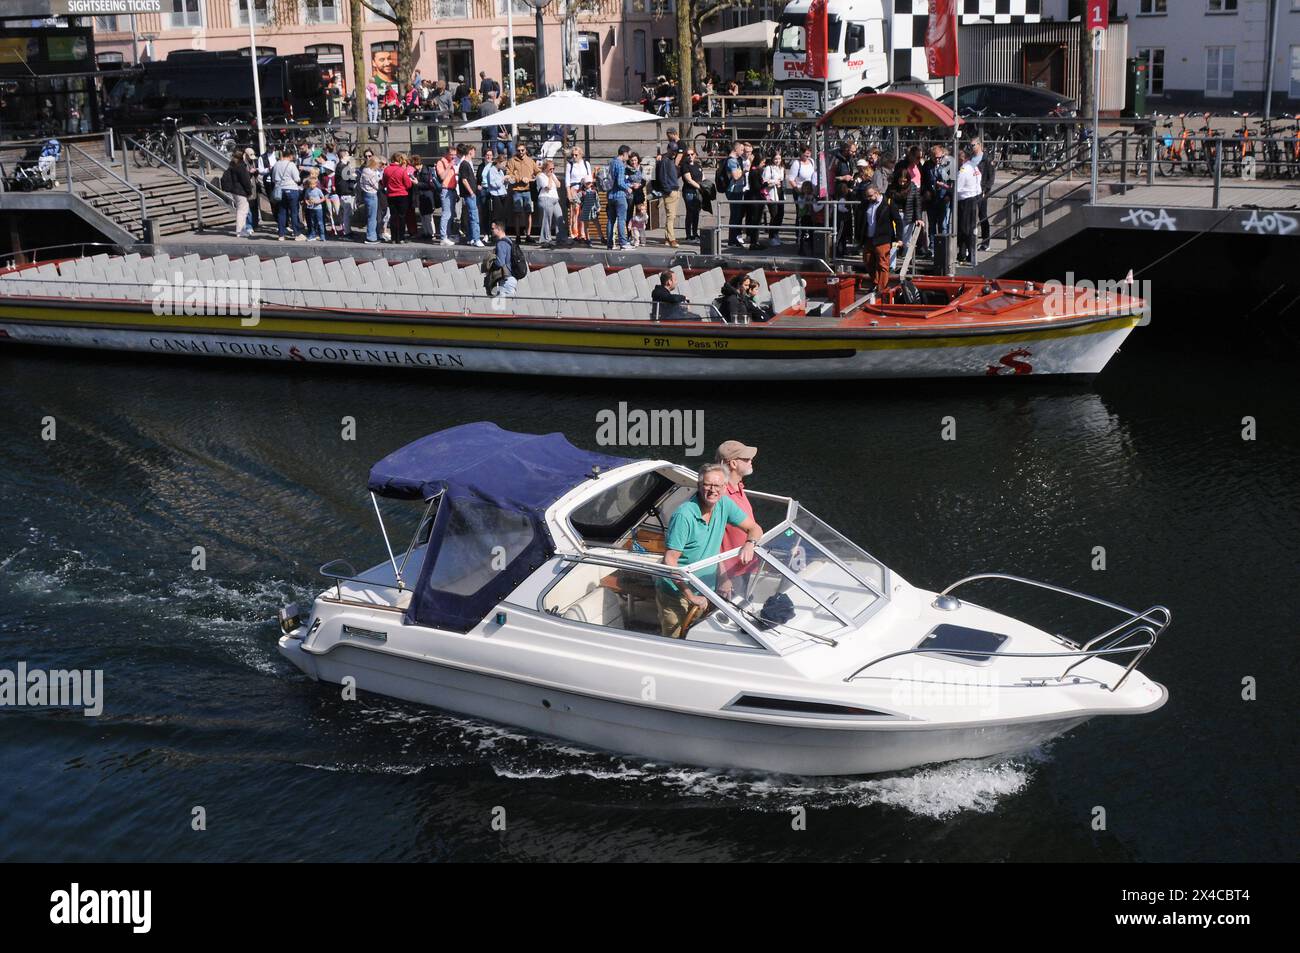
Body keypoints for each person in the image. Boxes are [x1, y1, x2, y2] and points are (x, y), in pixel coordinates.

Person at [657, 464, 763, 638]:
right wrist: (690, 595)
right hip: (677, 593)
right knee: (675, 642)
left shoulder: (724, 504)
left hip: (705, 589)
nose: (713, 490)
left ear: (724, 488)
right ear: (699, 486)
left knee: (700, 636)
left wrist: (749, 544)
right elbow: (670, 561)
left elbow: (755, 528)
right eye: (708, 485)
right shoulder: (684, 516)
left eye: (718, 486)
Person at [716, 439, 759, 584]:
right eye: (746, 459)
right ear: (733, 464)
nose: (751, 461)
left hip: (745, 565)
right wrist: (723, 578)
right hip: (729, 572)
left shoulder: (738, 486)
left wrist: (750, 543)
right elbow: (711, 542)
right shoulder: (720, 495)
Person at [861, 183, 903, 298]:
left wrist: (899, 238)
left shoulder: (888, 203)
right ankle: (875, 282)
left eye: (870, 196)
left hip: (883, 238)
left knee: (882, 263)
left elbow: (898, 221)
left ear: (877, 193)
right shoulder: (866, 204)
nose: (868, 198)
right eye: (867, 196)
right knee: (868, 260)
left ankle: (881, 288)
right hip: (869, 238)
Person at [505, 142, 539, 244]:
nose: (520, 152)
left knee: (529, 213)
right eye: (519, 150)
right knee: (517, 213)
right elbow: (508, 175)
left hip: (528, 190)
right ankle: (518, 235)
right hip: (517, 191)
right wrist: (519, 179)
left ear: (526, 150)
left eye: (522, 150)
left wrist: (532, 179)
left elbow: (538, 172)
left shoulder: (530, 161)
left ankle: (528, 235)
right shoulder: (511, 161)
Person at [955, 145, 982, 263]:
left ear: (962, 159)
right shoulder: (974, 167)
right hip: (974, 198)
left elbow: (957, 188)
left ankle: (964, 253)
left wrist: (947, 188)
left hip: (965, 200)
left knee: (964, 229)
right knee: (970, 228)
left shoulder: (963, 169)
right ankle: (968, 253)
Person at [271, 150, 304, 241]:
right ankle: (296, 234)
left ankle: (281, 235)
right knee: (293, 212)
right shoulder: (291, 165)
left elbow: (273, 179)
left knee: (282, 212)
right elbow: (297, 179)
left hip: (280, 190)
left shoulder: (276, 164)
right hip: (291, 189)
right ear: (290, 155)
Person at [220, 153, 254, 238]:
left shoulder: (232, 165)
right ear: (242, 157)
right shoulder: (241, 166)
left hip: (235, 190)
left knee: (241, 210)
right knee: (243, 211)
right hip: (241, 191)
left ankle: (241, 230)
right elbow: (245, 181)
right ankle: (240, 231)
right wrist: (249, 192)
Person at [605, 144, 632, 251]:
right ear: (624, 154)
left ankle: (610, 244)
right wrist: (628, 188)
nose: (628, 158)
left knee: (611, 220)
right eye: (628, 156)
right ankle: (623, 243)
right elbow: (620, 182)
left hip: (610, 195)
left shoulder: (612, 162)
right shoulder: (620, 165)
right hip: (619, 196)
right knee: (621, 219)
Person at [654, 145, 682, 247]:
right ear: (668, 149)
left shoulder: (670, 160)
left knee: (671, 216)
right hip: (670, 191)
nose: (675, 153)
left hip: (674, 190)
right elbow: (662, 177)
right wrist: (668, 190)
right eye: (673, 151)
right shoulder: (665, 161)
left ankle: (667, 238)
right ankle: (672, 239)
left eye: (676, 151)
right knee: (671, 217)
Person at [565, 145, 593, 241]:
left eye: (576, 155)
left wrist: (589, 189)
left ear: (581, 155)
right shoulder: (570, 164)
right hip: (574, 188)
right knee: (575, 212)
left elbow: (589, 177)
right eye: (572, 155)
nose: (574, 157)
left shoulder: (586, 164)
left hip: (584, 188)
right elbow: (567, 180)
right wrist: (568, 193)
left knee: (583, 212)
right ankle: (574, 233)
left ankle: (583, 234)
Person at [457, 143, 482, 246]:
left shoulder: (467, 164)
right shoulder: (464, 164)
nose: (475, 153)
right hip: (469, 195)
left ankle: (471, 238)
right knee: (474, 216)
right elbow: (464, 180)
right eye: (474, 151)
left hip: (471, 194)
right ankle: (476, 239)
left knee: (472, 216)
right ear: (470, 151)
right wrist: (471, 192)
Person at [723, 142, 746, 247]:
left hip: (737, 190)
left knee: (737, 216)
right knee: (735, 216)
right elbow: (736, 177)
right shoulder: (732, 161)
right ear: (736, 149)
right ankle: (732, 240)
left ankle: (735, 238)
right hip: (733, 191)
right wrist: (745, 171)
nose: (743, 152)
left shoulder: (735, 160)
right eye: (741, 149)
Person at [435, 144, 459, 245]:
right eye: (451, 154)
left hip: (453, 190)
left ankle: (448, 235)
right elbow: (442, 177)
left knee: (451, 214)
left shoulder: (455, 162)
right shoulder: (441, 162)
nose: (453, 157)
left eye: (455, 154)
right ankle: (443, 237)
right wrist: (449, 165)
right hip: (445, 190)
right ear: (446, 154)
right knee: (446, 214)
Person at [488, 220, 519, 297]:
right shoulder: (509, 241)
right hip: (512, 278)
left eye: (493, 228)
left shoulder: (501, 243)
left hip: (506, 281)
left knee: (505, 306)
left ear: (498, 229)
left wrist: (491, 263)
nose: (491, 230)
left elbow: (500, 263)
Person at [536, 159, 563, 246]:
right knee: (547, 219)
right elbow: (548, 187)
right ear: (545, 168)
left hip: (555, 199)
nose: (552, 170)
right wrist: (550, 177)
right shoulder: (541, 176)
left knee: (559, 217)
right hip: (546, 198)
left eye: (553, 168)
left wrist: (552, 176)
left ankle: (561, 238)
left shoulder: (553, 175)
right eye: (550, 169)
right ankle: (546, 239)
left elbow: (559, 185)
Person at [762, 149, 785, 246]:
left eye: (779, 158)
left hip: (780, 194)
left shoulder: (782, 168)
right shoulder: (768, 168)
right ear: (772, 159)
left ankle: (776, 233)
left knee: (780, 215)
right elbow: (764, 181)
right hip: (771, 195)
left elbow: (783, 180)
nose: (777, 160)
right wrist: (774, 182)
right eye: (776, 159)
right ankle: (771, 236)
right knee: (774, 215)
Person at [680, 148, 704, 242]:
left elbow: (703, 176)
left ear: (695, 155)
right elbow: (689, 180)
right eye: (688, 155)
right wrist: (700, 187)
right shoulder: (684, 166)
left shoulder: (698, 165)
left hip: (698, 192)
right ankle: (688, 235)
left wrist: (705, 186)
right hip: (689, 192)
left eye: (692, 154)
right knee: (690, 213)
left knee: (696, 213)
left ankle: (695, 233)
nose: (690, 156)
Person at [358, 155, 382, 244]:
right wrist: (379, 177)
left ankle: (372, 235)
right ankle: (371, 237)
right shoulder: (370, 173)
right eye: (378, 164)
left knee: (371, 216)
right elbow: (376, 185)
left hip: (367, 194)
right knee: (372, 217)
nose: (379, 166)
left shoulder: (365, 170)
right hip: (371, 194)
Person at [335, 148, 357, 238]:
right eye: (348, 155)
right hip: (346, 192)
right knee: (347, 213)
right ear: (344, 156)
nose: (349, 157)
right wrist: (354, 176)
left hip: (344, 192)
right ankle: (347, 232)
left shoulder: (340, 166)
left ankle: (347, 230)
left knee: (347, 213)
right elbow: (351, 178)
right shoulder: (343, 167)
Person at [302, 171, 326, 241]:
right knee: (311, 222)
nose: (312, 186)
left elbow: (323, 198)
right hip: (311, 208)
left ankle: (322, 235)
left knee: (320, 222)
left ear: (316, 184)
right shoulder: (308, 190)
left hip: (318, 208)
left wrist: (318, 201)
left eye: (313, 184)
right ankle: (312, 234)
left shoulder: (318, 190)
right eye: (310, 184)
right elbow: (306, 198)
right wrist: (307, 202)